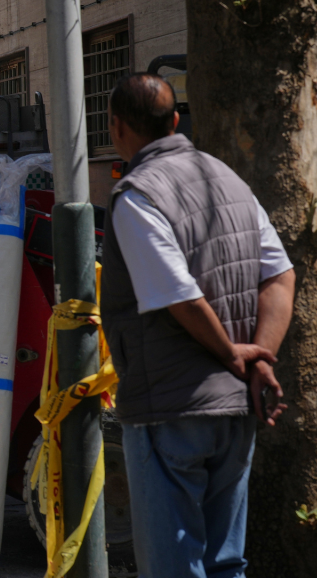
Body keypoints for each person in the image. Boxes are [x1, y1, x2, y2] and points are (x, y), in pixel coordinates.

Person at [99, 74, 294, 578]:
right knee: (227, 564)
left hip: (170, 405)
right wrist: (260, 359)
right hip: (235, 409)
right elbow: (279, 275)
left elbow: (177, 295)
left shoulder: (137, 194)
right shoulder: (229, 179)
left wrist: (236, 354)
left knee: (173, 568)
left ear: (116, 127)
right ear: (175, 120)